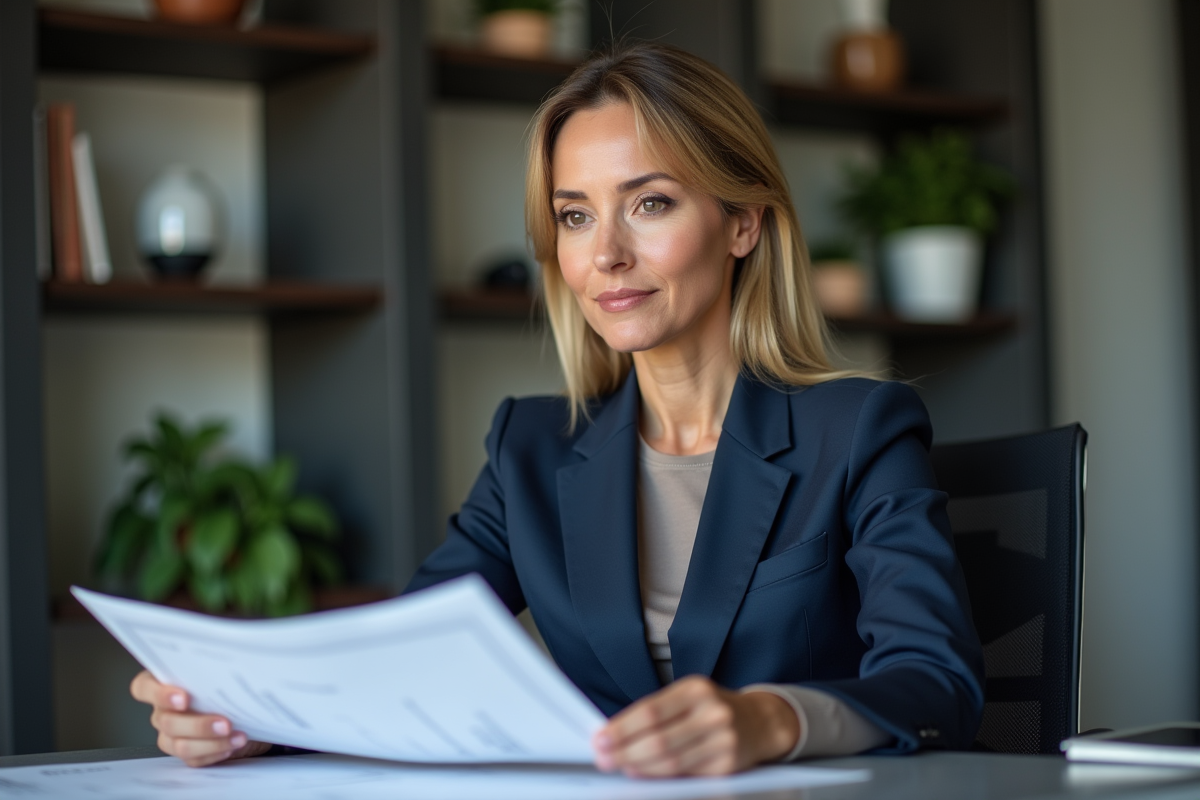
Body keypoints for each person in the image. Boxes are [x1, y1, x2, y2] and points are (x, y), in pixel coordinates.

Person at [130, 42, 985, 777]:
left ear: (742, 224)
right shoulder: (530, 448)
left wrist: (771, 720)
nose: (606, 254)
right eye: (575, 217)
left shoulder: (860, 428)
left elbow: (936, 681)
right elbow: (399, 657)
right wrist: (247, 718)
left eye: (649, 204)